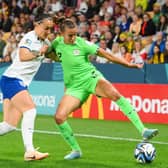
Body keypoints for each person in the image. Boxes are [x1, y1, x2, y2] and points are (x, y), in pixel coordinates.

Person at [50, 18, 159, 160]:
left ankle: (143, 130)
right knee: (59, 117)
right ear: (61, 33)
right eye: (70, 35)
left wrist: (128, 65)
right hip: (74, 88)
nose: (73, 37)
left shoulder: (83, 44)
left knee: (115, 95)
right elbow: (49, 54)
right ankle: (76, 150)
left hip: (92, 78)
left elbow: (107, 55)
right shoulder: (57, 43)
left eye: (75, 34)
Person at [0, 13, 54, 161]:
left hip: (13, 80)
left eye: (50, 29)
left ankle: (29, 151)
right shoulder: (29, 37)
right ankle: (29, 151)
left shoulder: (47, 43)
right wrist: (39, 52)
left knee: (9, 125)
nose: (48, 32)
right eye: (45, 28)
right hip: (13, 79)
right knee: (30, 111)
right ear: (37, 25)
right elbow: (23, 56)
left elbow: (52, 55)